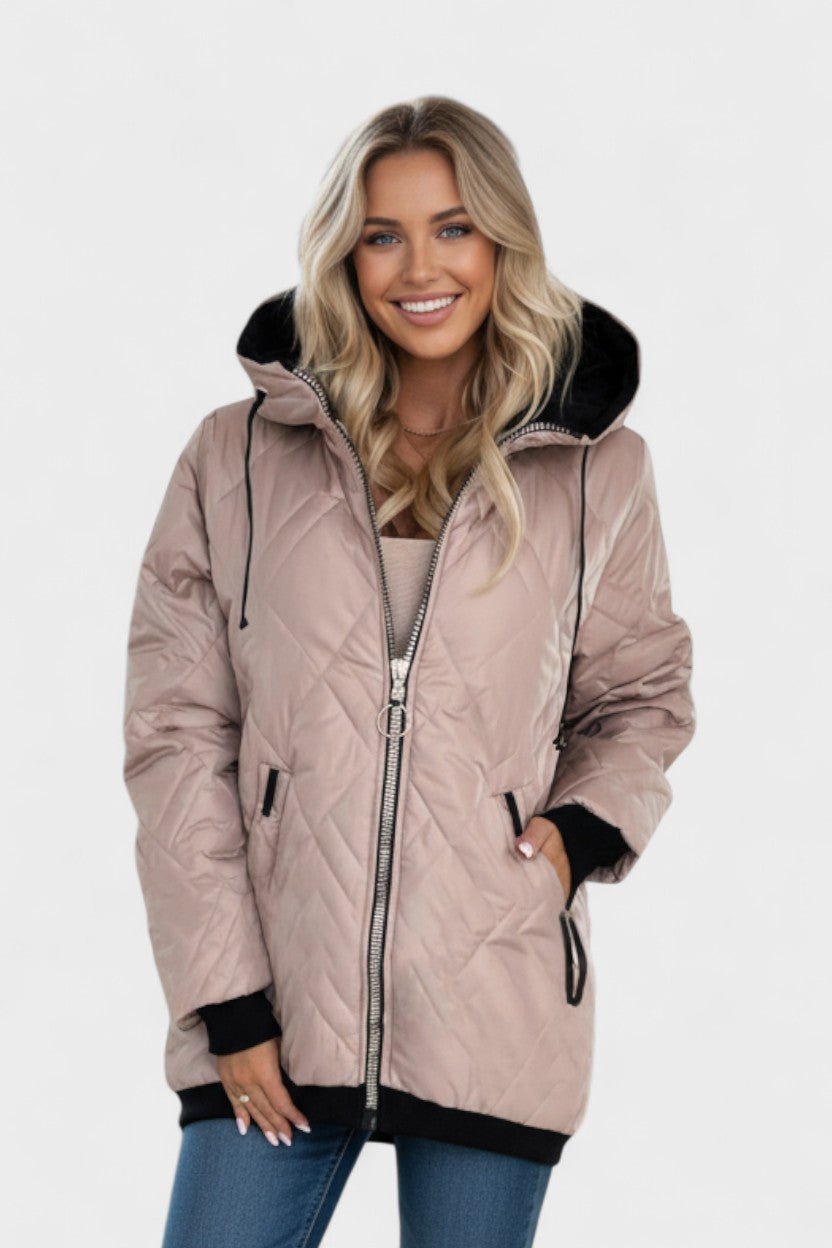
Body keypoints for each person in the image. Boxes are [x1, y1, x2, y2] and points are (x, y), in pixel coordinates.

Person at [122, 95, 696, 1248]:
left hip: (491, 996)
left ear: (502, 242)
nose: (419, 267)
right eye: (382, 234)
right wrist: (226, 1000)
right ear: (345, 253)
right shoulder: (236, 456)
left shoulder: (598, 466)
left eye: (453, 228)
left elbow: (641, 696)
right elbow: (177, 733)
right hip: (273, 1001)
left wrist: (575, 833)